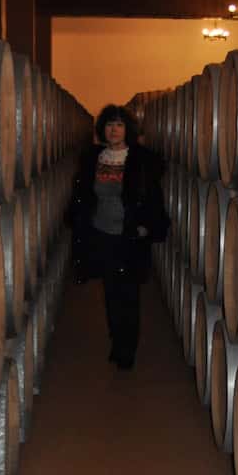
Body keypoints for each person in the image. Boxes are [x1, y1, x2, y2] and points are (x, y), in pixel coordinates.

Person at [69, 104, 170, 370]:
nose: (113, 130)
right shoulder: (95, 158)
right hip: (101, 235)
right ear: (102, 129)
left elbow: (153, 198)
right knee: (111, 292)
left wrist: (147, 225)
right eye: (109, 124)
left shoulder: (140, 160)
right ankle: (116, 341)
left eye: (119, 125)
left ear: (128, 130)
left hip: (129, 236)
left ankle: (128, 349)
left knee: (129, 294)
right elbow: (84, 195)